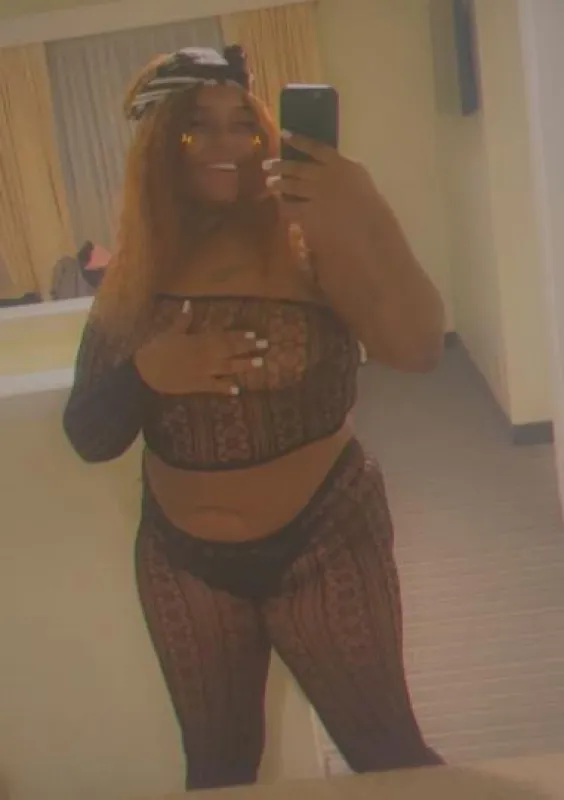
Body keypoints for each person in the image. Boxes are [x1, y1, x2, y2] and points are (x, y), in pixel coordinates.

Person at [63, 44, 445, 790]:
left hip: (325, 539)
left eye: (243, 123)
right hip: (183, 564)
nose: (228, 144)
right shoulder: (133, 277)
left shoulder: (302, 237)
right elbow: (90, 435)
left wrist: (365, 209)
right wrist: (148, 373)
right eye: (197, 127)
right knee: (218, 772)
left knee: (390, 755)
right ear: (157, 148)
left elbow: (420, 348)